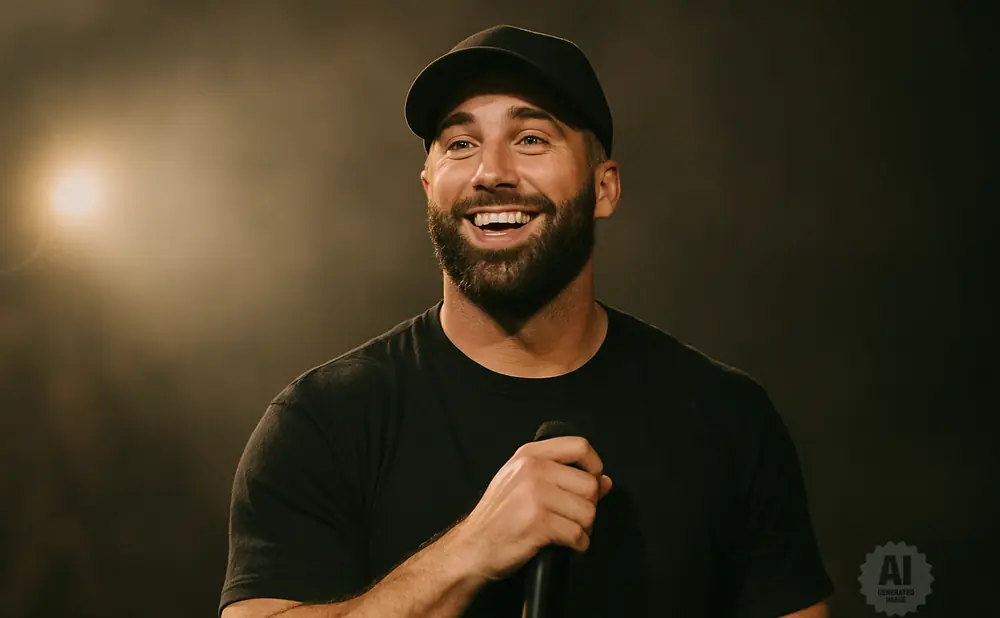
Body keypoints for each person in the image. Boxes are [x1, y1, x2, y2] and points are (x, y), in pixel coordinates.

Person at [219, 24, 834, 618]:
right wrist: (469, 553)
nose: (491, 172)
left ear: (604, 188)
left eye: (532, 139)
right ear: (429, 184)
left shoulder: (726, 418)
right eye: (460, 143)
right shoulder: (321, 425)